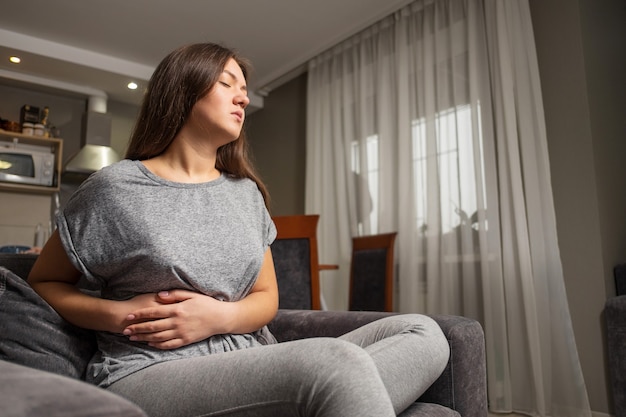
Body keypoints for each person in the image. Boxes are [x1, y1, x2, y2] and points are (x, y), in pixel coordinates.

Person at [28, 42, 450, 417]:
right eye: (228, 83)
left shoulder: (246, 192)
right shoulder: (114, 189)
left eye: (244, 89)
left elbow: (267, 297)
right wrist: (119, 315)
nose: (244, 98)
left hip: (251, 357)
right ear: (184, 89)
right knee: (334, 365)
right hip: (151, 369)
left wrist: (218, 317)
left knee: (424, 332)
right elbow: (44, 280)